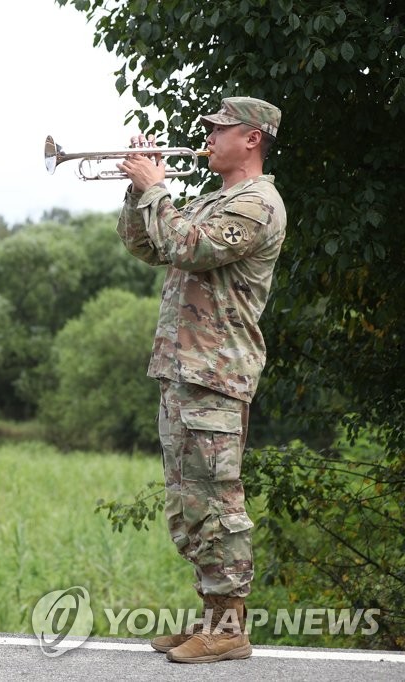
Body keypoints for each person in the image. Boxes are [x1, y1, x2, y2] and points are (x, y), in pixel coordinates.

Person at [114, 97, 286, 663]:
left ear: (253, 138)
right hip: (184, 369)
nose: (207, 138)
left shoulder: (258, 204)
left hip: (216, 371)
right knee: (190, 504)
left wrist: (158, 191)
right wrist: (139, 191)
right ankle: (212, 619)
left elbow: (189, 247)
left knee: (218, 502)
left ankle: (230, 630)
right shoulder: (215, 198)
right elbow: (148, 245)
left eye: (219, 130)